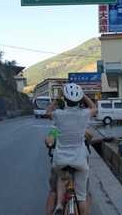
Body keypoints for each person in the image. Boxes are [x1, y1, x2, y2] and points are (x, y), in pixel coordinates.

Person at [46, 83, 97, 215]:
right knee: (81, 197)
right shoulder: (83, 114)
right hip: (79, 160)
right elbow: (94, 108)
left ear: (65, 99)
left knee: (62, 178)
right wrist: (83, 95)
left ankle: (58, 204)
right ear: (79, 99)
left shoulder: (59, 114)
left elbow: (48, 113)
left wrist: (58, 96)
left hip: (60, 160)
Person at [44, 127, 93, 215]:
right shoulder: (80, 128)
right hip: (79, 162)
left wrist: (52, 144)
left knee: (54, 190)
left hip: (61, 163)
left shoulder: (57, 130)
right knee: (85, 191)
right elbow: (90, 134)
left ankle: (54, 208)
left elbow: (48, 141)